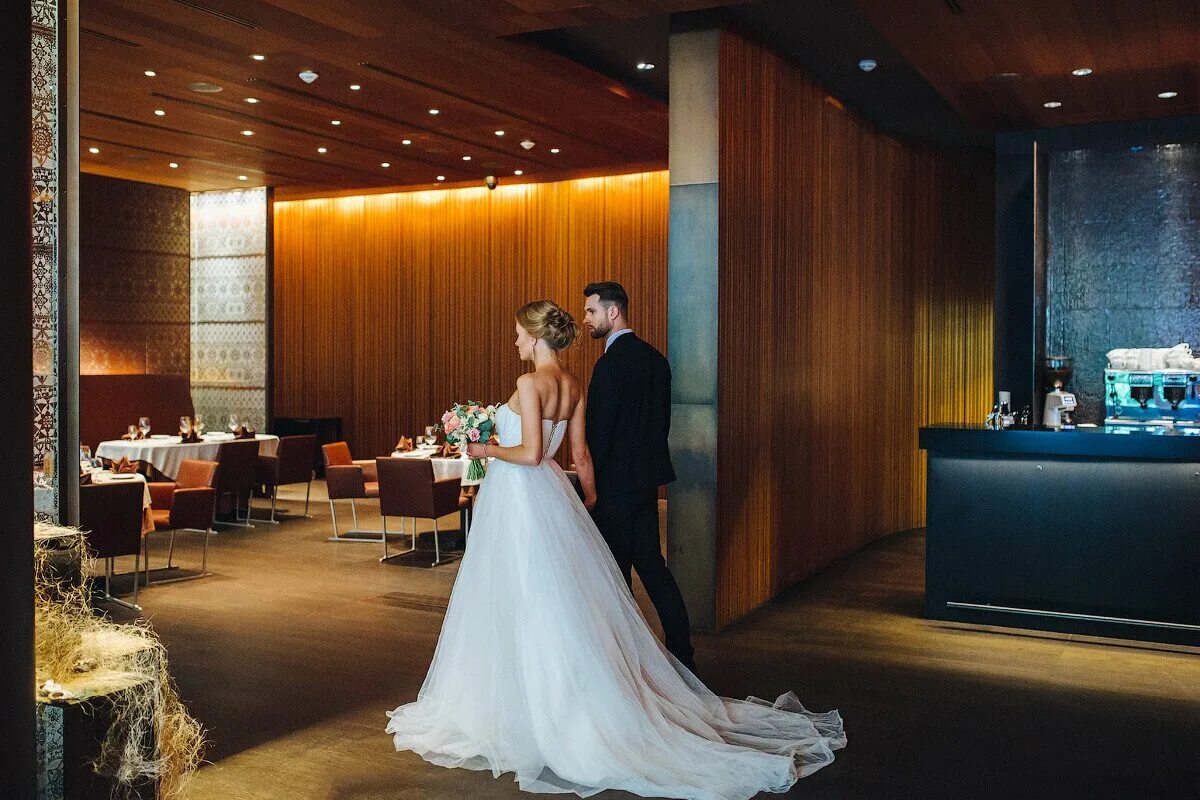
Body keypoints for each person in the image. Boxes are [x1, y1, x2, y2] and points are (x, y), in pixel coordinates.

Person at [386, 300, 844, 800]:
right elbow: (579, 454)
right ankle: (558, 698)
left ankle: (523, 710)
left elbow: (531, 453)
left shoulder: (528, 383)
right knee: (556, 601)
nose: (515, 341)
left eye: (518, 333)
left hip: (519, 497)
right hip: (550, 496)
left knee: (519, 598)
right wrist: (586, 498)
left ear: (536, 337)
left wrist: (482, 449)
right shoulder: (574, 385)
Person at [581, 280, 695, 671]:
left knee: (615, 576)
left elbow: (598, 433)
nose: (586, 319)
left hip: (613, 488)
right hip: (646, 484)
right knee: (654, 570)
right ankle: (683, 657)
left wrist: (592, 488)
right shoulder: (656, 359)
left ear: (613, 312)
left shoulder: (608, 365)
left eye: (591, 311)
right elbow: (661, 424)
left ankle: (628, 665)